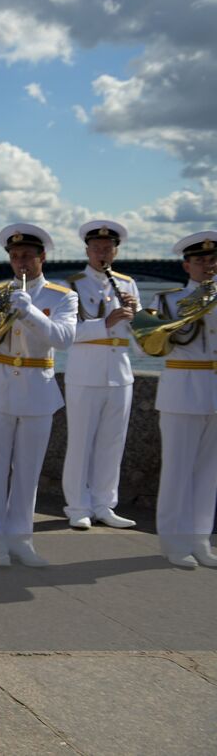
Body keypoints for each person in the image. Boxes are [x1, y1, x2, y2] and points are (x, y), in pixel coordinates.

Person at [0, 224, 77, 567]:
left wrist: (29, 311)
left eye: (27, 256)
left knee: (27, 471)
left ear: (42, 257)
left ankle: (20, 538)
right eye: (15, 256)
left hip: (37, 389)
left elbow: (63, 339)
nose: (20, 262)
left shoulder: (62, 296)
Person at [62, 220, 141, 530]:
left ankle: (105, 504)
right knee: (80, 442)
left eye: (108, 249)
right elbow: (66, 334)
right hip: (85, 372)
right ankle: (77, 506)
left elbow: (139, 336)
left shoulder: (127, 284)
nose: (102, 254)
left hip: (120, 373)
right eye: (97, 249)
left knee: (112, 442)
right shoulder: (73, 284)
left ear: (116, 251)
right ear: (87, 250)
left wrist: (137, 318)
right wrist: (105, 323)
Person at [151, 230, 217, 568]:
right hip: (183, 390)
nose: (208, 266)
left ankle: (200, 539)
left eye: (212, 260)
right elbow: (148, 345)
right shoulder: (168, 301)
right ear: (186, 266)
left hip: (214, 392)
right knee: (178, 471)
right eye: (200, 261)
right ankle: (174, 541)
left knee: (209, 472)